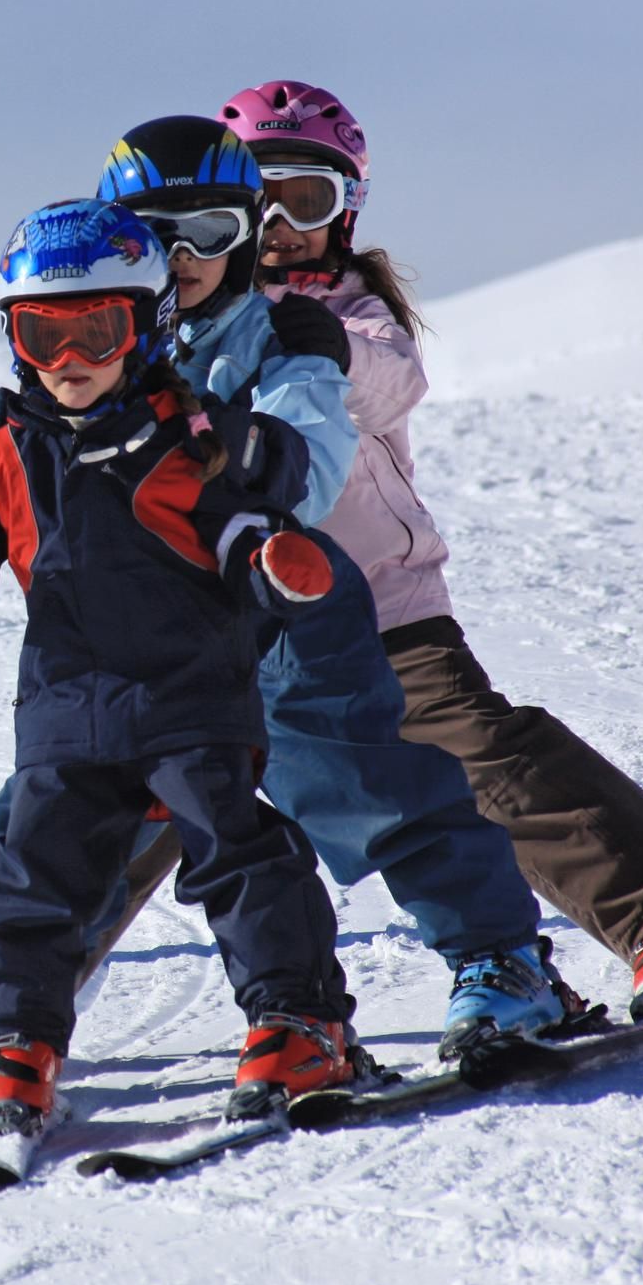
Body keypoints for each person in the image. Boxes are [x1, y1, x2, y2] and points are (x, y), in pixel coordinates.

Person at [222, 79, 643, 1016]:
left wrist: (320, 347)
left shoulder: (354, 312)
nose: (280, 223)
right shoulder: (189, 318)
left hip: (378, 610)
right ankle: (11, 1022)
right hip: (234, 629)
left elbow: (391, 380)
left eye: (307, 199)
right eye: (256, 199)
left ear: (346, 209)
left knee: (481, 759)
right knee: (133, 788)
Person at [0, 197, 362, 1160]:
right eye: (43, 334)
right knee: (23, 878)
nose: (70, 360)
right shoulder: (7, 448)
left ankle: (297, 1025)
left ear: (144, 322)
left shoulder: (187, 432)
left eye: (96, 331)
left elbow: (240, 522)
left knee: (241, 854)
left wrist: (270, 559)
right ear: (14, 339)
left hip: (192, 699)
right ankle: (14, 1044)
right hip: (66, 713)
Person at [98, 117, 573, 1054]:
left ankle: (501, 958)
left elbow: (311, 467)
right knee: (73, 812)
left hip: (287, 617)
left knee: (371, 784)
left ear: (251, 229)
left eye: (214, 232)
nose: (187, 258)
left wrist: (231, 453)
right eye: (162, 235)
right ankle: (7, 1020)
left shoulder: (285, 337)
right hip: (156, 637)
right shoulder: (105, 350)